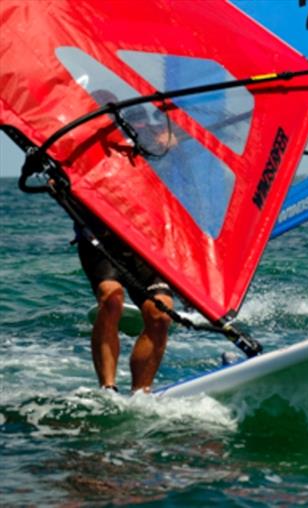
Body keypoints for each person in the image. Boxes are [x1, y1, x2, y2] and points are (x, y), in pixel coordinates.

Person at [75, 89, 175, 392]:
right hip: (99, 240)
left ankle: (141, 394)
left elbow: (179, 142)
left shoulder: (149, 145)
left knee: (160, 314)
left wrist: (174, 144)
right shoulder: (80, 146)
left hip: (145, 240)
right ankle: (108, 389)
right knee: (111, 298)